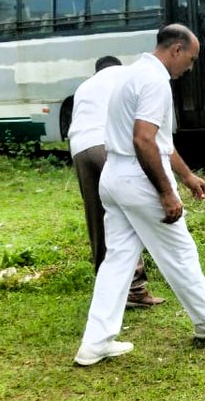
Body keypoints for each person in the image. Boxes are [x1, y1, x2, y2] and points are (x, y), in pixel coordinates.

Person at [74, 24, 205, 367]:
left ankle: (95, 342)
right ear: (176, 49)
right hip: (137, 178)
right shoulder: (155, 81)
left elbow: (159, 142)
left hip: (114, 175)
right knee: (179, 251)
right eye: (191, 59)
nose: (190, 67)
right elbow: (144, 140)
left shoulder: (130, 73)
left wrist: (186, 176)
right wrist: (167, 192)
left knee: (118, 261)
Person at [68, 55, 164, 309]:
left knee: (98, 218)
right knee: (128, 213)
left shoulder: (85, 86)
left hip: (81, 150)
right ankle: (135, 288)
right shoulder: (127, 75)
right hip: (109, 146)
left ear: (97, 70)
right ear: (118, 66)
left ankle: (108, 291)